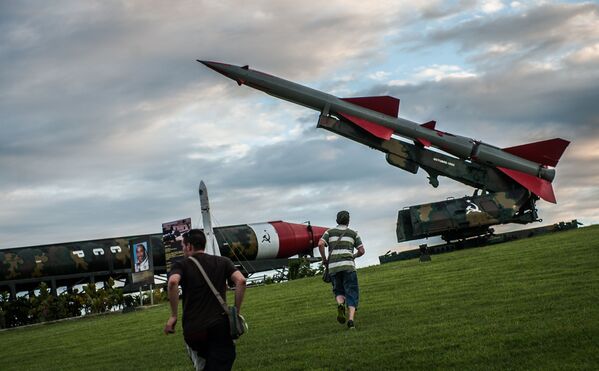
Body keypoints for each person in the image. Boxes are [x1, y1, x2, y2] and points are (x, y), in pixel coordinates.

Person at [164, 229, 247, 371]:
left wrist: (173, 316)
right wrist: (235, 312)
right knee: (222, 359)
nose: (183, 250)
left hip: (193, 329)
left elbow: (172, 282)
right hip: (219, 326)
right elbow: (241, 281)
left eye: (183, 246)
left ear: (189, 246)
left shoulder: (181, 265)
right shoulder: (223, 261)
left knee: (204, 363)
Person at [318, 210, 365, 329]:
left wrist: (324, 259)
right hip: (348, 266)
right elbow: (362, 251)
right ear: (348, 221)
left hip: (333, 266)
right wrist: (353, 256)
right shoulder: (353, 233)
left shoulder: (329, 232)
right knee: (352, 292)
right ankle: (350, 320)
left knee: (338, 290)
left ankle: (340, 305)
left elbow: (320, 244)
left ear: (337, 220)